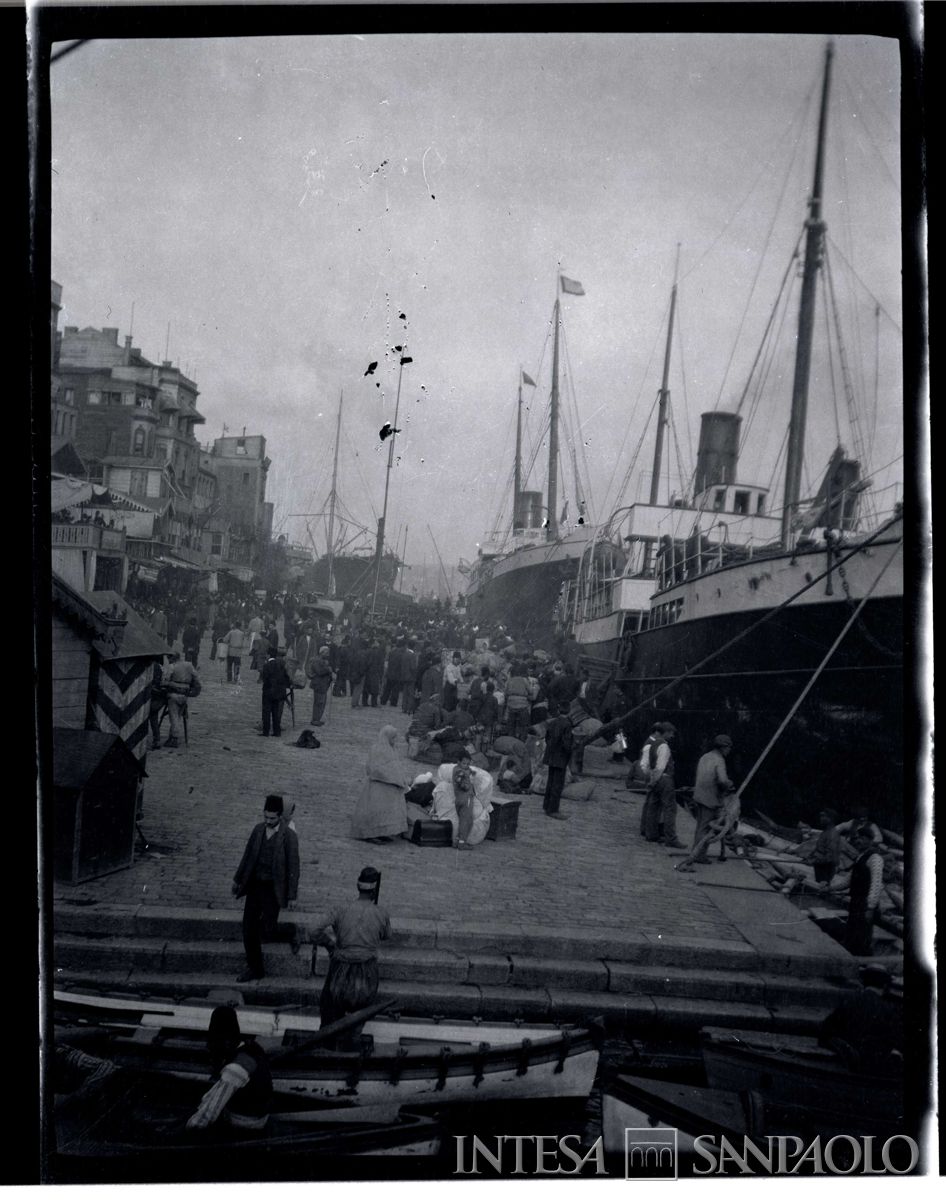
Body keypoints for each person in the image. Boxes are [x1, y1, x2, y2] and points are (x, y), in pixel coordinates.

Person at [311, 867, 391, 1048]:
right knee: (359, 1018)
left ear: (358, 886)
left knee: (329, 1012)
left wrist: (330, 945)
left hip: (340, 970)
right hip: (367, 972)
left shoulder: (341, 909)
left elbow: (313, 930)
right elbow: (386, 935)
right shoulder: (381, 912)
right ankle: (351, 1050)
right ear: (374, 891)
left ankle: (327, 1048)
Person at [232, 795, 301, 982]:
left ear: (280, 816)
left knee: (268, 930)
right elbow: (247, 856)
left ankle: (290, 931)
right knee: (248, 928)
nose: (268, 821)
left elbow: (294, 868)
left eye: (272, 818)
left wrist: (292, 896)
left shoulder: (289, 836)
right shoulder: (258, 830)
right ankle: (256, 969)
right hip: (255, 885)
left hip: (273, 889)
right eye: (266, 817)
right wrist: (237, 880)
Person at [185, 1006, 273, 1132]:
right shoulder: (252, 1047)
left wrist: (190, 1128)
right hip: (259, 1115)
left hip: (245, 1123)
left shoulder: (236, 1067)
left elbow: (211, 1111)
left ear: (225, 1042)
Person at [818, 964, 904, 1076]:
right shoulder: (888, 1008)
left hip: (849, 1058)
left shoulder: (850, 1000)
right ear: (885, 985)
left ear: (863, 982)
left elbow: (826, 1029)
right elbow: (897, 1038)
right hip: (873, 1064)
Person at [351, 726, 410, 842]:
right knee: (375, 812)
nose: (395, 740)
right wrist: (394, 777)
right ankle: (370, 835)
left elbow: (395, 766)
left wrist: (401, 778)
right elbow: (374, 768)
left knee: (386, 813)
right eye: (393, 738)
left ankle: (382, 832)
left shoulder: (392, 749)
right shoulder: (377, 749)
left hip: (389, 787)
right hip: (378, 787)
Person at [690, 735, 736, 862]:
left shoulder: (705, 756)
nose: (729, 751)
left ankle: (696, 851)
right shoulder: (719, 760)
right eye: (728, 748)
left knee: (700, 826)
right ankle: (699, 855)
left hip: (699, 795)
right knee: (706, 828)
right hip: (710, 798)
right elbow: (722, 780)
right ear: (723, 747)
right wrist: (730, 784)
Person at [431, 754, 494, 847]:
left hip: (460, 800)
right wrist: (468, 785)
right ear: (459, 762)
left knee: (462, 819)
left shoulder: (446, 782)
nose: (466, 766)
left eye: (468, 764)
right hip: (465, 799)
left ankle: (457, 839)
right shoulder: (460, 774)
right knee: (466, 820)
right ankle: (461, 843)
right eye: (464, 763)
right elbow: (462, 784)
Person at [845, 825, 885, 956]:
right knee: (852, 932)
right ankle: (851, 956)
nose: (858, 841)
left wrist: (870, 907)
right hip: (855, 902)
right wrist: (830, 888)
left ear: (870, 840)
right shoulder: (860, 857)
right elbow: (848, 881)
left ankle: (862, 959)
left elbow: (876, 884)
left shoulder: (875, 858)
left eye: (862, 838)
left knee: (862, 935)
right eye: (857, 838)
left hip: (865, 904)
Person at [641, 722, 682, 847]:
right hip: (664, 779)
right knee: (670, 809)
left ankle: (650, 835)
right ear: (666, 732)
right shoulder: (664, 746)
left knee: (653, 806)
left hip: (655, 778)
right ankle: (671, 839)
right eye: (671, 733)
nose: (672, 736)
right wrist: (655, 780)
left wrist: (651, 779)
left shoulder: (652, 744)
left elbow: (646, 765)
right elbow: (660, 767)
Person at [163, 651, 199, 748]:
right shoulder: (189, 665)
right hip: (185, 695)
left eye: (169, 658)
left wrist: (167, 683)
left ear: (172, 658)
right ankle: (171, 736)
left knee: (174, 716)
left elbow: (165, 680)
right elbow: (196, 678)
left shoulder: (172, 666)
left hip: (174, 694)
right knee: (177, 715)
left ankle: (174, 738)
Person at [542, 711, 573, 820]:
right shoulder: (567, 724)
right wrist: (571, 751)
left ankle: (546, 806)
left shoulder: (552, 722)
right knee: (558, 784)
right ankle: (553, 810)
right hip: (561, 757)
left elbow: (547, 738)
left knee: (550, 782)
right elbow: (566, 743)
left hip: (551, 756)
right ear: (569, 711)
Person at [259, 644, 293, 737]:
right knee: (275, 712)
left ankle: (266, 731)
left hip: (268, 691)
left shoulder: (267, 665)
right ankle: (277, 732)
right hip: (278, 692)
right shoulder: (280, 665)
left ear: (268, 655)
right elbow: (286, 677)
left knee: (266, 712)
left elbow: (265, 679)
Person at [806, 808, 842, 885]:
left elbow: (830, 857)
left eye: (823, 816)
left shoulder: (832, 834)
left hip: (826, 869)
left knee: (822, 887)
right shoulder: (826, 832)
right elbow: (819, 849)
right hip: (820, 866)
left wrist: (814, 861)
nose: (821, 818)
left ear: (831, 819)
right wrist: (810, 857)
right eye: (821, 816)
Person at [306, 646, 334, 726]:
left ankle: (317, 719)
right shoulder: (317, 660)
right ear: (322, 652)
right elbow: (319, 671)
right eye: (326, 652)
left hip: (323, 684)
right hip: (319, 684)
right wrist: (328, 669)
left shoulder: (322, 660)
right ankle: (315, 720)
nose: (328, 654)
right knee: (319, 702)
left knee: (321, 702)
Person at [504, 663, 532, 741]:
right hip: (522, 705)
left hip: (511, 705)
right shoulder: (524, 680)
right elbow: (530, 691)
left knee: (511, 725)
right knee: (525, 724)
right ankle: (522, 740)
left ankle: (511, 740)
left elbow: (505, 693)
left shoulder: (509, 681)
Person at [148, 658, 168, 751]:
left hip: (155, 696)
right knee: (153, 717)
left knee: (152, 716)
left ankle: (156, 739)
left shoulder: (154, 666)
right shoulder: (159, 667)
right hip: (157, 696)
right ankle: (156, 739)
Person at [362, 641, 385, 708]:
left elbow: (365, 662)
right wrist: (381, 674)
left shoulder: (367, 652)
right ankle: (374, 703)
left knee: (366, 688)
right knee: (375, 688)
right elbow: (381, 664)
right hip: (375, 672)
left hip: (368, 672)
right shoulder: (379, 653)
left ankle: (364, 702)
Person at [348, 639, 367, 707]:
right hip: (360, 674)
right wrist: (363, 673)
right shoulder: (363, 655)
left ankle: (354, 702)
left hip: (355, 673)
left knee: (356, 688)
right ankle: (355, 703)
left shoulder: (356, 654)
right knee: (358, 689)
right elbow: (362, 665)